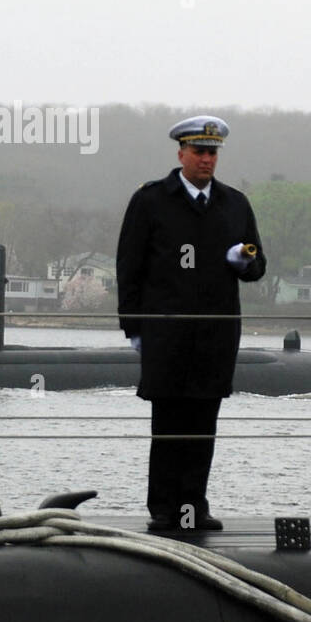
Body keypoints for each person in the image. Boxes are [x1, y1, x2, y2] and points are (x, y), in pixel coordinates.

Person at [116, 116, 267, 533]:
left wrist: (245, 263)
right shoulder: (151, 201)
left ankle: (194, 508)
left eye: (212, 152)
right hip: (166, 334)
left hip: (215, 335)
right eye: (199, 151)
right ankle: (165, 508)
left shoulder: (235, 203)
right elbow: (129, 267)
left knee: (203, 423)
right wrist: (133, 328)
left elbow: (258, 266)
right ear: (180, 153)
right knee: (168, 422)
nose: (206, 159)